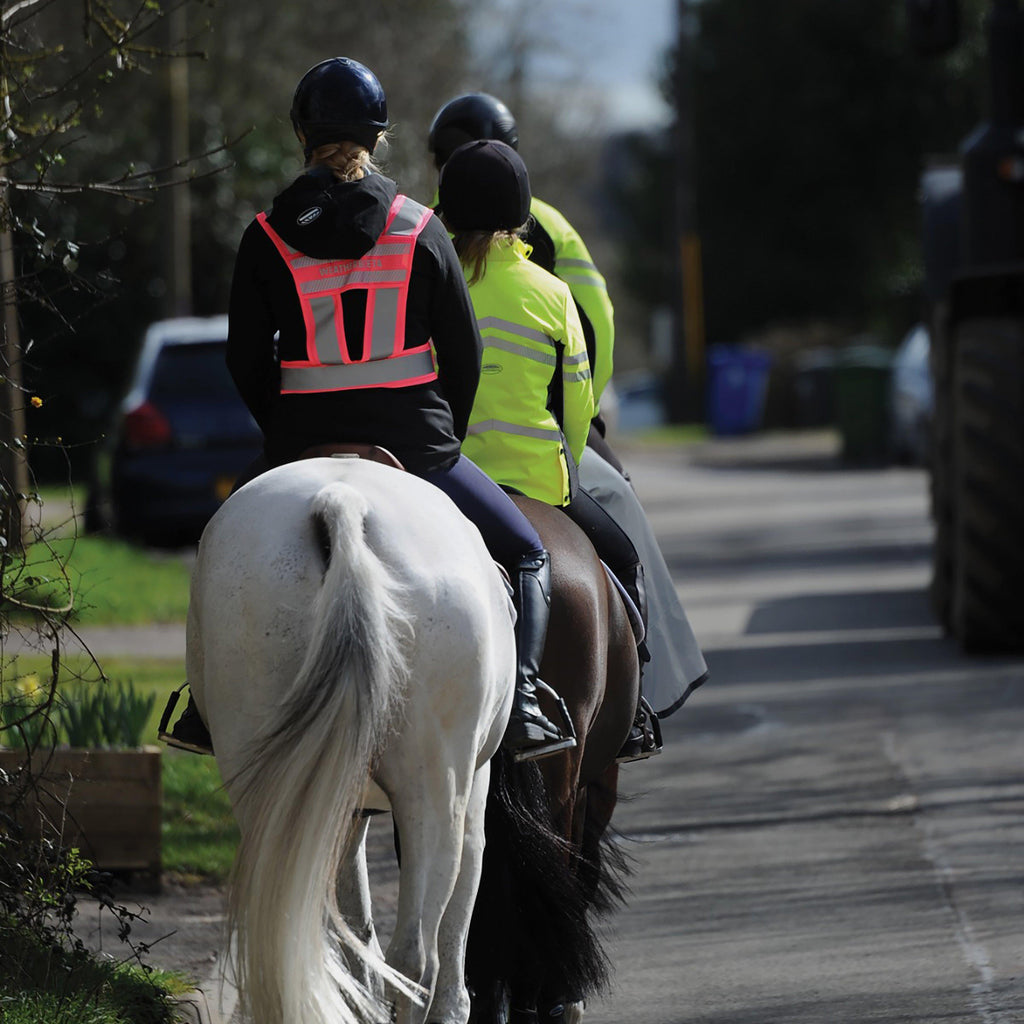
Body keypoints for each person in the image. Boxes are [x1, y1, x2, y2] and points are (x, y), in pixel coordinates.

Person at [160, 57, 575, 763]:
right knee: (531, 554)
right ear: (379, 138)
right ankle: (528, 699)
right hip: (415, 446)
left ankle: (204, 705)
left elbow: (244, 358)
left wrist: (288, 430)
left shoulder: (265, 235)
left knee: (217, 552)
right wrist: (442, 438)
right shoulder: (420, 227)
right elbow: (463, 355)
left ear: (302, 135)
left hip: (300, 444)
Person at [437, 138, 660, 761]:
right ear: (521, 215)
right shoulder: (551, 293)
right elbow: (578, 410)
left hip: (445, 489)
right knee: (625, 564)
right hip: (539, 489)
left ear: (446, 214)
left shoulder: (427, 288)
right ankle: (632, 713)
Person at [427, 92, 627, 475]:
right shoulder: (549, 224)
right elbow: (598, 320)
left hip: (444, 454)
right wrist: (582, 428)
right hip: (542, 446)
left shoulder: (422, 225)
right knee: (623, 510)